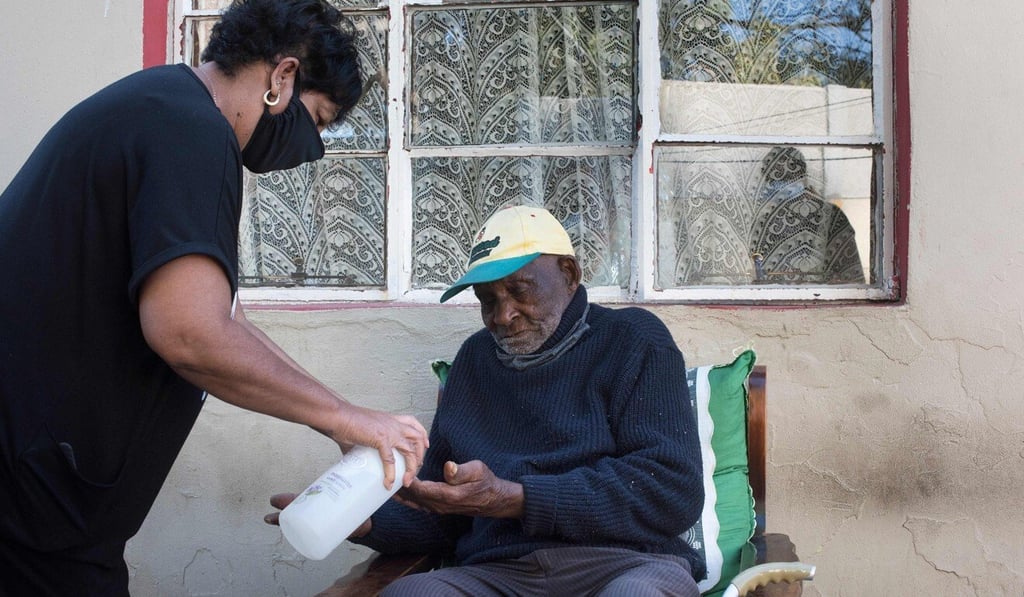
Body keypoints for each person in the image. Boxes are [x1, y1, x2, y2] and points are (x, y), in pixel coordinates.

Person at [0, 1, 427, 595]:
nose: (313, 146)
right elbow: (190, 333)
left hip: (47, 506)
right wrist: (345, 417)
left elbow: (228, 322)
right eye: (318, 120)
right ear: (282, 77)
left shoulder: (161, 109)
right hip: (29, 511)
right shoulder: (190, 130)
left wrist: (342, 422)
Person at [269, 205, 706, 596]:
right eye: (487, 299)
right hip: (500, 573)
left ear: (569, 275)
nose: (502, 314)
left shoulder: (634, 340)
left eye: (520, 290)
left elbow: (671, 489)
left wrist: (515, 498)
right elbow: (444, 515)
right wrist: (361, 521)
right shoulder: (474, 361)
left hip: (621, 565)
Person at [749, 146, 866, 284]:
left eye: (788, 177)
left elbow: (851, 276)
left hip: (823, 301)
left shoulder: (832, 216)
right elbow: (757, 270)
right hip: (774, 300)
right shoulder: (764, 220)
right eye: (774, 180)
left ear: (802, 176)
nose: (781, 187)